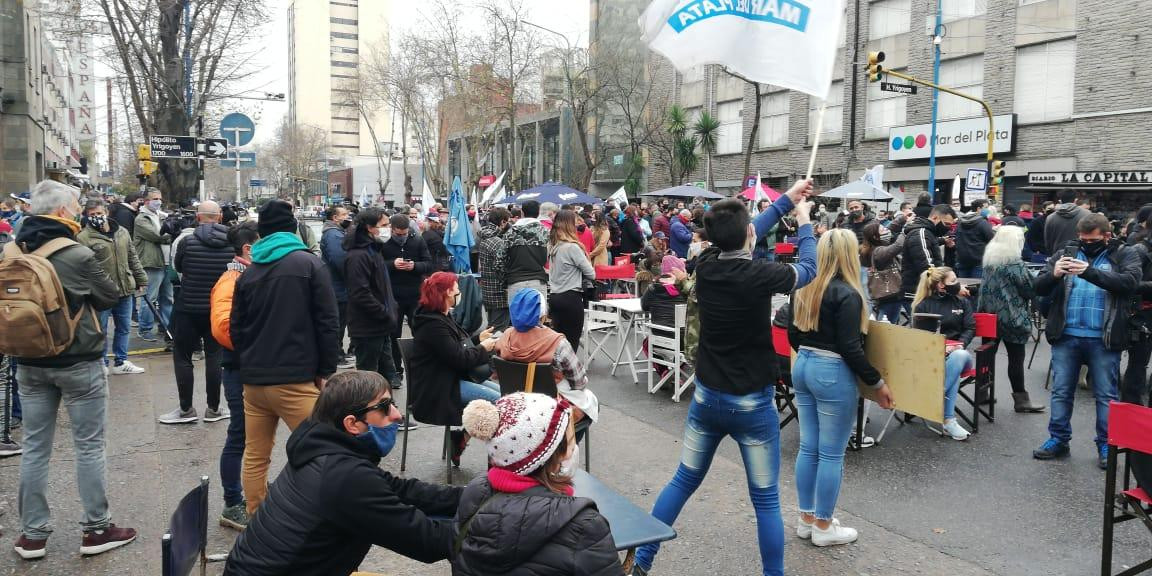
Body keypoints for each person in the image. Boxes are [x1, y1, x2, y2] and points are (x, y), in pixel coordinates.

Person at [633, 180, 816, 576]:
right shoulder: (760, 274)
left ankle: (641, 560)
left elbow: (748, 229)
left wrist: (788, 198)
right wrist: (803, 222)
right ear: (748, 234)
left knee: (683, 480)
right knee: (765, 500)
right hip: (751, 404)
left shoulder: (707, 264)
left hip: (707, 398)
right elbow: (809, 269)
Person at [223, 371, 463, 576]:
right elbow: (427, 540)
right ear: (352, 424)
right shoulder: (345, 476)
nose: (397, 415)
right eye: (384, 407)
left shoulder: (323, 448)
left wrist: (474, 494)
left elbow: (399, 490)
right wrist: (494, 521)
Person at [9, 180, 137, 560]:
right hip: (77, 360)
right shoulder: (75, 253)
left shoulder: (12, 249)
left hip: (28, 360)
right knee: (89, 446)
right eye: (78, 206)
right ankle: (96, 529)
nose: (81, 211)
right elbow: (110, 295)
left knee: (34, 447)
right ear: (63, 211)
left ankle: (32, 535)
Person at [230, 199, 341, 515]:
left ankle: (256, 517)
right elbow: (328, 322)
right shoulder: (308, 264)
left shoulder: (249, 273)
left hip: (254, 382)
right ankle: (322, 516)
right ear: (294, 229)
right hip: (296, 379)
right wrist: (326, 370)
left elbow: (236, 328)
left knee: (255, 454)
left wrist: (247, 364)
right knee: (324, 449)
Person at [787, 229, 893, 547]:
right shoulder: (848, 293)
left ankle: (807, 519)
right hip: (831, 370)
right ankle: (823, 525)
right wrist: (877, 382)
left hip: (803, 365)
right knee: (832, 453)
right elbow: (851, 347)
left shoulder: (803, 288)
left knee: (809, 447)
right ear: (849, 254)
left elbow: (792, 334)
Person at [454, 392, 620, 575]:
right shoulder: (584, 526)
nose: (573, 449)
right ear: (557, 456)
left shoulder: (476, 491)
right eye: (572, 442)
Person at [1032, 213, 1142, 468]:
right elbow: (1038, 286)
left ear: (1106, 236)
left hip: (1103, 338)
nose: (1085, 243)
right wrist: (1054, 274)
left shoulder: (1125, 254)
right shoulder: (1065, 252)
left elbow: (1129, 283)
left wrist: (1089, 272)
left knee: (1106, 395)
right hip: (1067, 335)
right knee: (1061, 392)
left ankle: (1106, 444)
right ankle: (1057, 439)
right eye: (1082, 239)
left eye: (1091, 239)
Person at [410, 271, 502, 467]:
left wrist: (478, 339)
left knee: (504, 396)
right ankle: (499, 461)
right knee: (499, 402)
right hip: (439, 388)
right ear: (446, 294)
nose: (459, 292)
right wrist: (483, 349)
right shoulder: (433, 325)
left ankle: (460, 439)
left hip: (450, 379)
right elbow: (460, 358)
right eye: (456, 289)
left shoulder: (438, 317)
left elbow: (455, 347)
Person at [162, 201, 234, 424]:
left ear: (198, 217)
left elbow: (179, 268)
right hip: (217, 309)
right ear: (219, 216)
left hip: (188, 307)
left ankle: (185, 410)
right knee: (215, 356)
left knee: (182, 357)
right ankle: (213, 409)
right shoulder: (232, 243)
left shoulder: (186, 241)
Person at [210, 221, 260, 530]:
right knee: (239, 436)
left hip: (250, 367)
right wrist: (262, 343)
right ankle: (232, 503)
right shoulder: (232, 279)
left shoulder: (248, 276)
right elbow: (223, 327)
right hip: (240, 369)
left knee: (252, 438)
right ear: (248, 249)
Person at [494, 289, 600, 426]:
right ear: (542, 314)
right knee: (591, 401)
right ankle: (566, 441)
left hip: (516, 402)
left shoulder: (504, 337)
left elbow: (496, 371)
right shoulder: (557, 342)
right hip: (551, 406)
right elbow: (579, 383)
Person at [976, 225, 1047, 413]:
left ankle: (982, 394)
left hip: (988, 316)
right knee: (1016, 359)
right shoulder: (1015, 264)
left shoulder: (990, 261)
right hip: (1011, 317)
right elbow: (1030, 289)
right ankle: (1021, 399)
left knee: (986, 357)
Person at [76, 199, 148, 375]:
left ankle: (121, 361)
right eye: (92, 215)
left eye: (99, 213)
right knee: (100, 329)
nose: (96, 217)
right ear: (86, 216)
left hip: (124, 289)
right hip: (101, 293)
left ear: (106, 212)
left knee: (123, 327)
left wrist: (141, 279)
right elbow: (82, 267)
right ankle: (100, 363)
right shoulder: (83, 238)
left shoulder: (121, 232)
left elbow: (132, 257)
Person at [911, 267, 976, 440]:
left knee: (958, 356)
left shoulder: (961, 302)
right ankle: (948, 421)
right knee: (951, 373)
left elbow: (970, 328)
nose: (958, 284)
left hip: (961, 355)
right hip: (934, 358)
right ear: (941, 285)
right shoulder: (923, 305)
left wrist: (961, 344)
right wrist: (939, 348)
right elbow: (919, 338)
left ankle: (934, 396)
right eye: (953, 281)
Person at [344, 208, 400, 387]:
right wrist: (384, 312)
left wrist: (391, 308)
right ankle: (368, 412)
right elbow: (360, 293)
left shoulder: (373, 250)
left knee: (386, 376)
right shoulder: (358, 255)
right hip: (368, 327)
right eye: (384, 225)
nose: (388, 228)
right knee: (368, 380)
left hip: (380, 326)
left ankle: (386, 411)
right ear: (369, 227)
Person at [379, 214, 435, 381]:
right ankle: (396, 370)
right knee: (393, 334)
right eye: (398, 234)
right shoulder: (384, 242)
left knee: (419, 331)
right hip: (393, 295)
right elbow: (376, 265)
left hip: (415, 295)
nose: (401, 237)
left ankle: (420, 368)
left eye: (404, 233)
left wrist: (414, 266)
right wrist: (392, 264)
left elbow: (428, 263)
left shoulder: (417, 240)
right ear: (391, 229)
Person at [548, 210, 595, 352]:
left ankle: (556, 374)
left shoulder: (553, 247)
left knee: (558, 344)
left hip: (555, 297)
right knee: (571, 345)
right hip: (571, 298)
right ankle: (569, 374)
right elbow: (591, 274)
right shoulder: (572, 248)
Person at [901, 204, 956, 320]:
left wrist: (941, 240)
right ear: (935, 218)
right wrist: (950, 284)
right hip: (916, 292)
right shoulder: (920, 233)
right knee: (922, 330)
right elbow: (927, 267)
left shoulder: (928, 233)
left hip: (924, 290)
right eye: (946, 224)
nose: (948, 228)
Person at [134, 187, 173, 342]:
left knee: (167, 298)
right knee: (150, 299)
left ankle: (167, 328)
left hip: (166, 263)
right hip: (152, 264)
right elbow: (157, 236)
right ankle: (145, 329)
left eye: (160, 199)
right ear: (146, 201)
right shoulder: (142, 219)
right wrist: (172, 234)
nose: (158, 202)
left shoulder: (161, 216)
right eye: (155, 199)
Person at [1123, 211, 1152, 406]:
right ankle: (1130, 421)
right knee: (1137, 367)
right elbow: (1128, 282)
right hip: (1143, 315)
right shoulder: (1140, 250)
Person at [320, 205, 355, 367]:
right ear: (335, 218)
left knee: (341, 322)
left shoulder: (337, 232)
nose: (347, 217)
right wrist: (353, 276)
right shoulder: (333, 234)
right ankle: (336, 355)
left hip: (339, 286)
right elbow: (340, 260)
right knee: (338, 323)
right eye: (344, 214)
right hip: (338, 286)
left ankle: (338, 352)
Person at [504, 200, 551, 316]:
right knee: (539, 319)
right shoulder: (545, 232)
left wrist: (505, 279)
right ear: (538, 212)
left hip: (515, 281)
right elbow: (551, 257)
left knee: (517, 320)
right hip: (538, 280)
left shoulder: (510, 233)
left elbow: (500, 260)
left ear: (522, 212)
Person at [859, 221, 905, 324]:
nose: (887, 230)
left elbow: (887, 230)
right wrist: (905, 230)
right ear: (876, 237)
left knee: (885, 320)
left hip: (885, 295)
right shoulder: (878, 252)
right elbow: (898, 246)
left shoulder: (871, 248)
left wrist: (901, 218)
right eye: (883, 229)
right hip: (891, 294)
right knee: (886, 324)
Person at [478, 207, 512, 330]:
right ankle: (490, 350)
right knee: (498, 331)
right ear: (502, 222)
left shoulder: (485, 236)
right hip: (498, 293)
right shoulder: (497, 242)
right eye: (507, 221)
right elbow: (503, 268)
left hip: (488, 290)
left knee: (492, 328)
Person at [954, 200, 996, 279]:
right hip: (978, 260)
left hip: (962, 259)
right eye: (986, 207)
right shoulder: (983, 223)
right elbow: (991, 239)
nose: (988, 210)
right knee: (976, 286)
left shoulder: (960, 222)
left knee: (963, 286)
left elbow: (956, 237)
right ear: (978, 209)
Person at [1044, 190, 1090, 256]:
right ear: (1075, 200)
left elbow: (1047, 241)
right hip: (1081, 255)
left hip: (1058, 255)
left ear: (1060, 201)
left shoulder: (1050, 217)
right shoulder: (1087, 214)